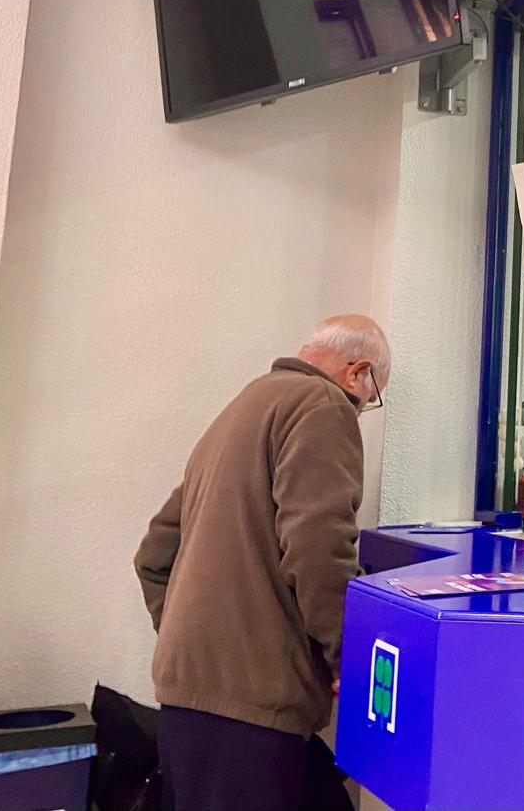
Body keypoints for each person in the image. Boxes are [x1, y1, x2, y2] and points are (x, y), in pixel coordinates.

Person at [135, 315, 390, 811]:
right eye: (371, 397)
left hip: (185, 703)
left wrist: (199, 648)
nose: (362, 410)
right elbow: (319, 551)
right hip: (255, 715)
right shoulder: (323, 406)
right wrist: (351, 659)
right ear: (357, 372)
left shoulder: (241, 408)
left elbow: (154, 555)